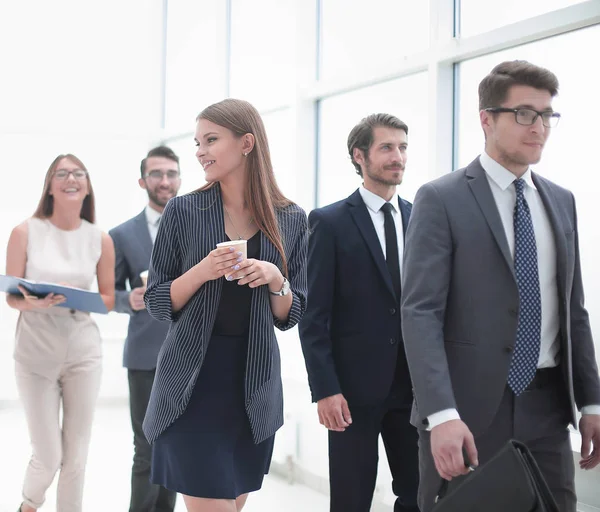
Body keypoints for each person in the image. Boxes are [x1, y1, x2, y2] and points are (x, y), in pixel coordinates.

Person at [401, 60, 600, 512]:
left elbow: (574, 311)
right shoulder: (441, 198)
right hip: (466, 411)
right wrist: (441, 415)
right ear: (486, 118)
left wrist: (591, 402)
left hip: (548, 408)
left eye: (548, 115)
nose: (540, 127)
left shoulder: (561, 201)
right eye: (525, 113)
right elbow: (420, 313)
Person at [142, 98, 308, 512]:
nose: (200, 152)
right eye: (198, 142)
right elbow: (157, 302)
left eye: (211, 140)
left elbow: (291, 314)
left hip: (253, 388)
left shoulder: (291, 219)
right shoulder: (184, 211)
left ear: (247, 143)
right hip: (190, 386)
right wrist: (202, 270)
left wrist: (276, 279)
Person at [299, 113, 419, 512]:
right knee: (352, 499)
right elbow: (314, 315)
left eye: (402, 147)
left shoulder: (422, 218)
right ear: (359, 155)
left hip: (416, 387)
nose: (397, 156)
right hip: (352, 391)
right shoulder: (330, 222)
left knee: (420, 494)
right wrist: (326, 389)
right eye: (387, 147)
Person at [6, 154, 115, 512]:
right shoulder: (25, 231)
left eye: (79, 173)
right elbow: (11, 296)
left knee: (77, 456)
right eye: (62, 173)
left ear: (87, 185)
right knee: (49, 454)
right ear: (50, 186)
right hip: (35, 352)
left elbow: (109, 299)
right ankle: (29, 503)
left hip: (83, 352)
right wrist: (33, 303)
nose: (71, 178)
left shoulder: (99, 238)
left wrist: (76, 293)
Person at [109, 146, 181, 512]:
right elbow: (110, 295)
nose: (165, 181)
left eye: (171, 173)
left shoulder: (199, 227)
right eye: (157, 174)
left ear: (180, 178)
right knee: (147, 446)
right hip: (144, 354)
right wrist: (130, 300)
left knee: (174, 447)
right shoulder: (121, 234)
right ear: (143, 181)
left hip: (188, 355)